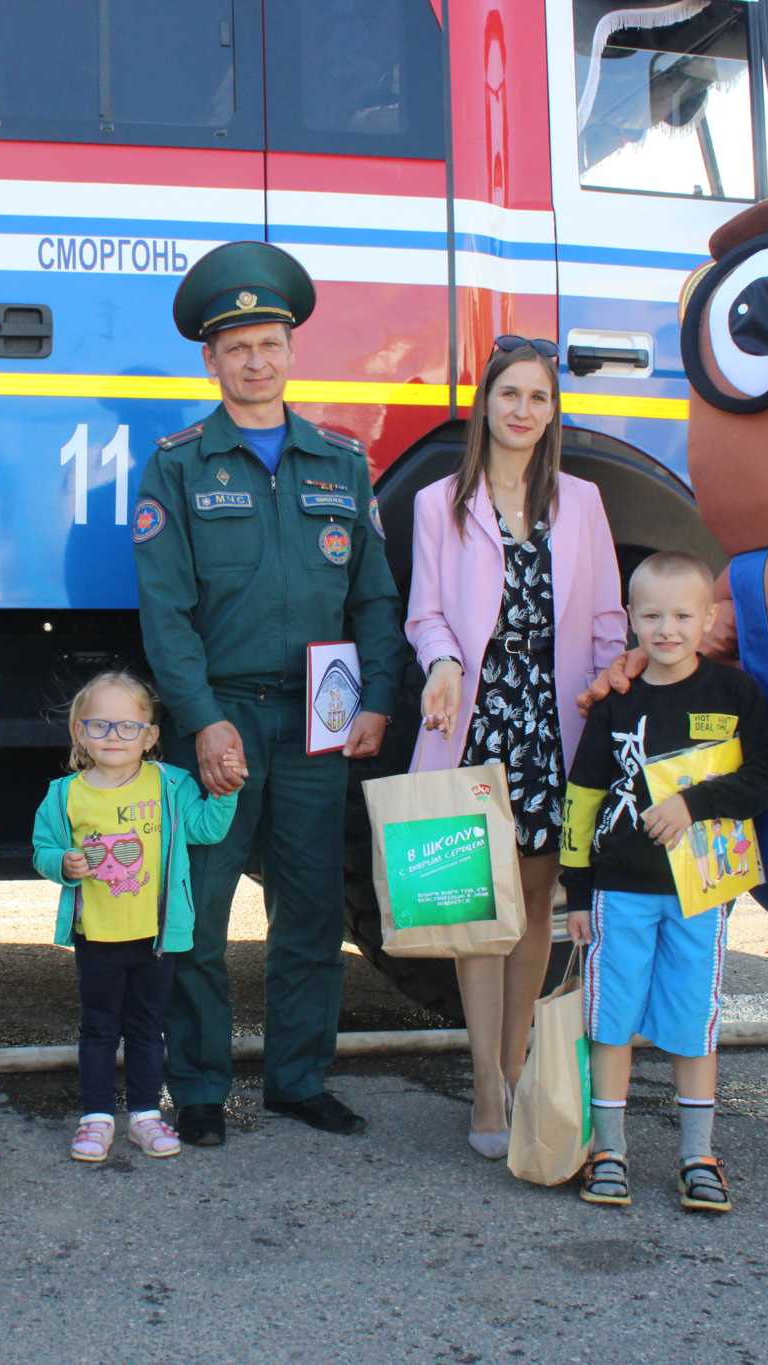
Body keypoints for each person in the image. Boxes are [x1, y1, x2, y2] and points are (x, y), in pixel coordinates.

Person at [134, 240, 405, 1144]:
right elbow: (165, 614)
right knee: (200, 912)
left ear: (292, 353)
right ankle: (201, 1089)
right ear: (210, 361)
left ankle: (298, 1079)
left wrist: (375, 699)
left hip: (322, 718)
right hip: (223, 720)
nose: (256, 360)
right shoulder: (177, 465)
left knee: (312, 909)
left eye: (270, 343)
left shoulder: (341, 463)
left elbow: (374, 595)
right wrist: (202, 721)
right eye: (237, 346)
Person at [406, 337, 626, 1159]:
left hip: (552, 720)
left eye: (539, 397)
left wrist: (608, 707)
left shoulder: (584, 502)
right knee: (477, 910)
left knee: (536, 903)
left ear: (551, 411)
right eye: (510, 395)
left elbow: (606, 621)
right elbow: (425, 612)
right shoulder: (441, 504)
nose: (524, 411)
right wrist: (444, 661)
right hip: (475, 717)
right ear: (485, 405)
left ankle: (518, 1057)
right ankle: (486, 1083)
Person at [560, 552, 768, 1213]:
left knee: (693, 1024)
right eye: (652, 614)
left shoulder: (734, 694)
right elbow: (583, 794)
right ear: (630, 618)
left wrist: (694, 803)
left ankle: (698, 1155)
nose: (667, 629)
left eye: (683, 615)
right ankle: (610, 1151)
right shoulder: (616, 699)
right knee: (611, 1022)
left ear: (708, 619)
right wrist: (576, 890)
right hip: (618, 891)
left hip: (702, 894)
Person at [30, 672, 241, 1162]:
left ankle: (146, 1114)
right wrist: (63, 863)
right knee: (99, 1028)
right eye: (100, 726)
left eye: (128, 727)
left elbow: (206, 831)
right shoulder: (65, 794)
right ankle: (97, 1117)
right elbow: (43, 848)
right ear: (79, 731)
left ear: (150, 737)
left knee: (148, 1028)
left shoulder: (170, 784)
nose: (113, 737)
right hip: (97, 934)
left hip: (156, 936)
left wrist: (226, 790)